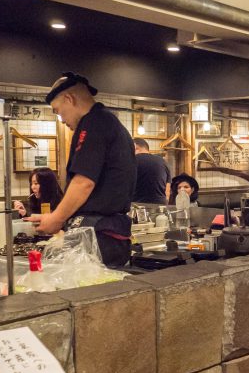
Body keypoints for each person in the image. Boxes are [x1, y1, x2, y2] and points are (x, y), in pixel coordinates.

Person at [27, 72, 136, 267]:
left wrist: (56, 218)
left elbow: (84, 182)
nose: (61, 119)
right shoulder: (109, 122)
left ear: (69, 99)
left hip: (100, 235)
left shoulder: (94, 123)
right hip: (105, 232)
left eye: (58, 111)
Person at [133, 138, 171, 205]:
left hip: (137, 207)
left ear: (135, 146)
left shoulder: (132, 161)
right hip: (160, 207)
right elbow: (167, 191)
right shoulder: (163, 162)